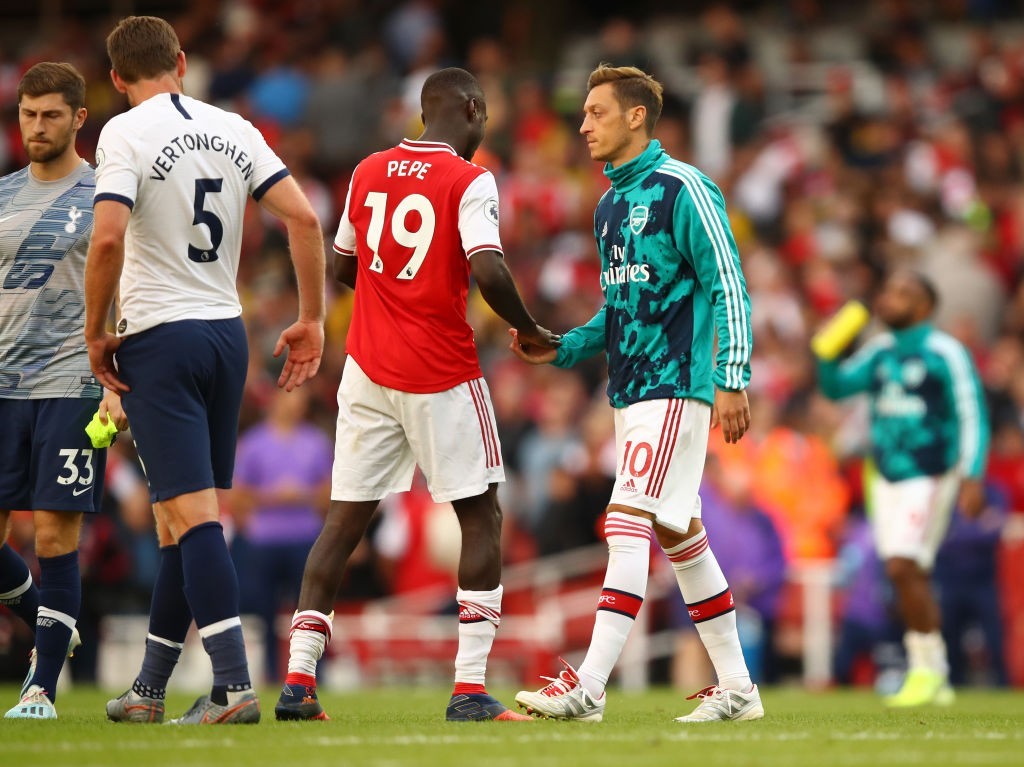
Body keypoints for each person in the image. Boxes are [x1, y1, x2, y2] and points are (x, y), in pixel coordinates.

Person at [277, 66, 558, 723]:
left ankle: (297, 681)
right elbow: (488, 266)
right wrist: (529, 328)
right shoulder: (469, 179)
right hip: (440, 371)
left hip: (367, 369)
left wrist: (390, 304)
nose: (487, 128)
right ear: (470, 107)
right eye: (485, 116)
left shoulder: (369, 169)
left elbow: (343, 264)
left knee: (342, 523)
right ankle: (468, 688)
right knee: (481, 517)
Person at [84, 16, 326, 725]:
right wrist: (311, 318)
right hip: (227, 334)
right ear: (182, 63)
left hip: (160, 337)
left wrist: (98, 333)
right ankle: (149, 691)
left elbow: (105, 239)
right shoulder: (237, 126)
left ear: (118, 79)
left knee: (194, 521)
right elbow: (305, 220)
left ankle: (231, 686)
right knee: (178, 524)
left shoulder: (122, 133)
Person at [511, 64, 762, 723]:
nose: (584, 124)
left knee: (626, 521)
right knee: (681, 536)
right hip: (630, 394)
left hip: (676, 385)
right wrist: (562, 345)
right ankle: (739, 687)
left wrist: (733, 375)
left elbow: (728, 283)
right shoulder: (608, 206)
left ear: (636, 116)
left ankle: (589, 686)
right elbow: (619, 309)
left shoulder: (684, 187)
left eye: (596, 111)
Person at [0, 62, 127, 720]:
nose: (36, 126)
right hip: (3, 385)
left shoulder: (107, 193)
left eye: (51, 114)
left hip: (73, 384)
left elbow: (130, 291)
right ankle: (46, 617)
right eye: (28, 114)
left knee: (53, 535)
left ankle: (41, 686)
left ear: (79, 118)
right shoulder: (3, 195)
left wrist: (115, 384)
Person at [816, 269, 990, 706]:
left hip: (930, 473)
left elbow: (971, 411)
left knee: (901, 564)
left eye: (903, 293)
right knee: (907, 574)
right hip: (886, 476)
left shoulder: (944, 351)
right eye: (889, 289)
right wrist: (826, 349)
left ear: (925, 307)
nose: (889, 298)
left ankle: (925, 670)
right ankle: (935, 673)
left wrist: (972, 472)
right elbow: (836, 388)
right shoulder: (878, 351)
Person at [230, 385, 332, 682]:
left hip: (305, 537)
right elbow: (237, 497)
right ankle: (273, 674)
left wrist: (300, 496)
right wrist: (274, 498)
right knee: (265, 614)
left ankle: (313, 672)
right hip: (265, 542)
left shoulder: (316, 442)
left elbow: (329, 494)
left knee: (311, 607)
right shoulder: (253, 443)